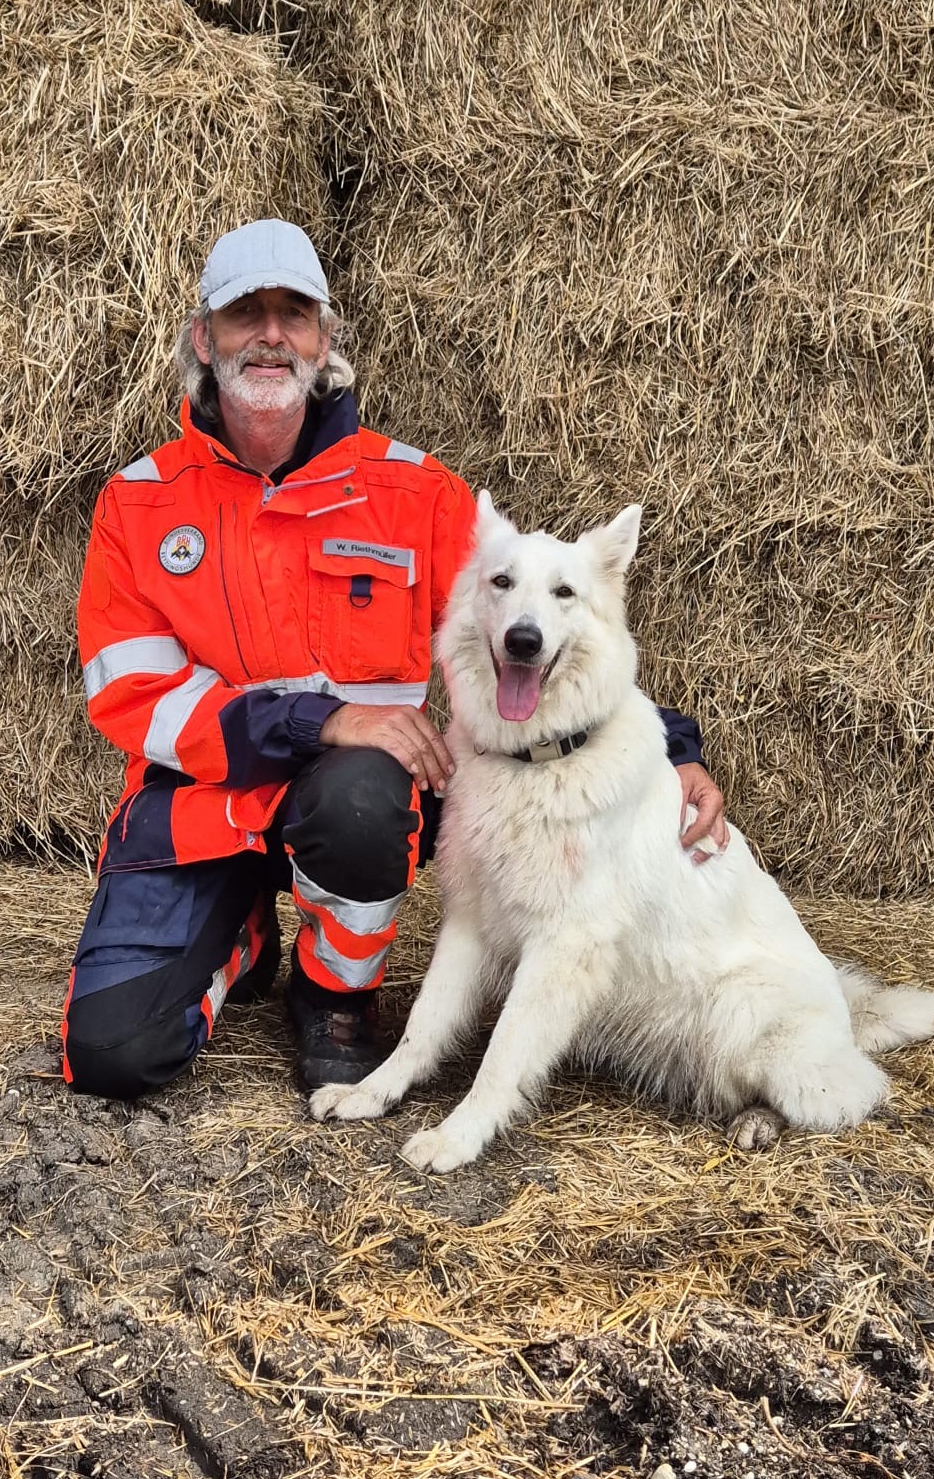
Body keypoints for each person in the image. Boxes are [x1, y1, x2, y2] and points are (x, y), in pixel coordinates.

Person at [61, 219, 728, 1099]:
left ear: (324, 339)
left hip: (357, 807)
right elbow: (135, 694)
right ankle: (244, 933)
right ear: (202, 338)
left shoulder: (415, 493)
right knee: (114, 1055)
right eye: (245, 313)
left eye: (295, 314)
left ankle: (334, 996)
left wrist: (669, 751)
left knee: (364, 797)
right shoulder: (139, 503)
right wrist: (322, 719)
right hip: (201, 809)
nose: (271, 336)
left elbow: (529, 628)